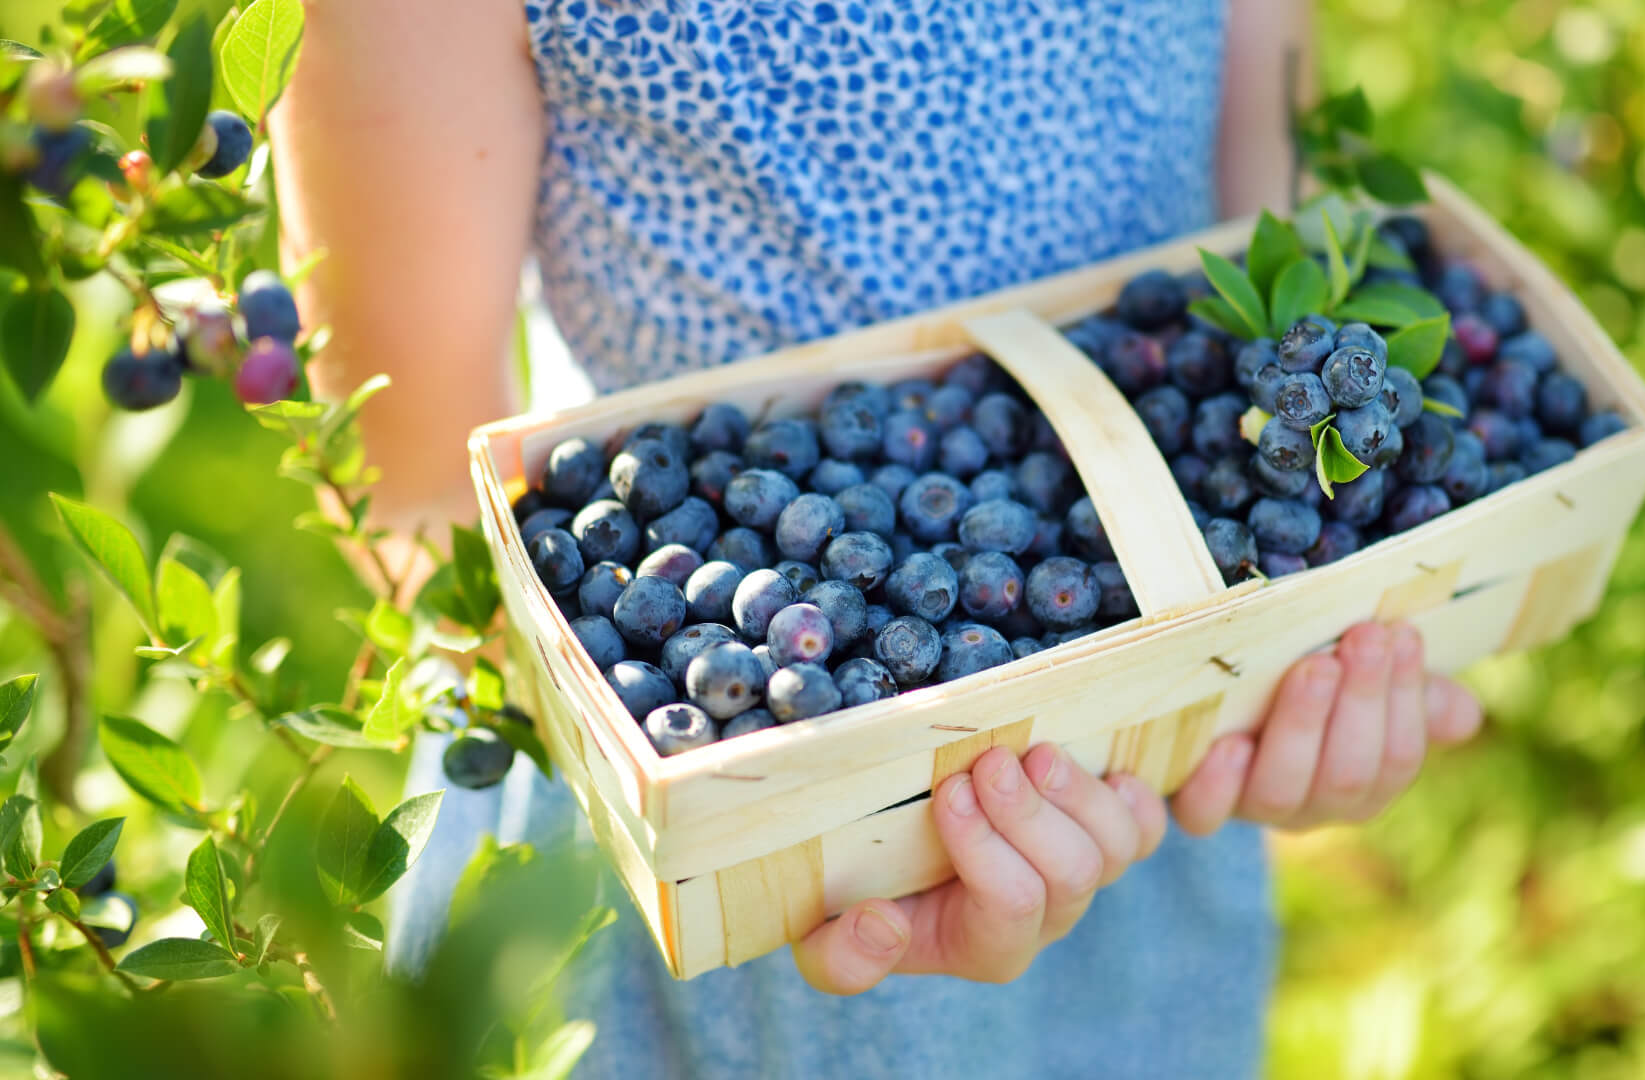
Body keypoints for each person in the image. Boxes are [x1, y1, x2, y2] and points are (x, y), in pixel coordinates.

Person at [270, 1, 1484, 1075]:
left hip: (1123, 777)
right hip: (701, 860)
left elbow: (1255, 298)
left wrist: (1286, 681)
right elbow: (413, 488)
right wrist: (791, 835)